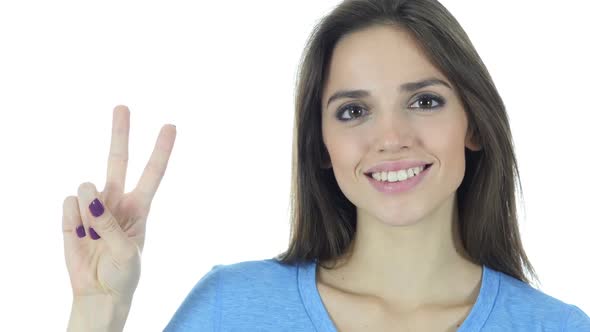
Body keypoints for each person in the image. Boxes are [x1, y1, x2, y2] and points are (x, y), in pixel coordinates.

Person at [63, 0, 590, 331]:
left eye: (425, 101)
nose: (391, 138)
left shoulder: (556, 327)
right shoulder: (231, 308)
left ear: (474, 124)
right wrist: (98, 310)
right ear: (320, 144)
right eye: (354, 111)